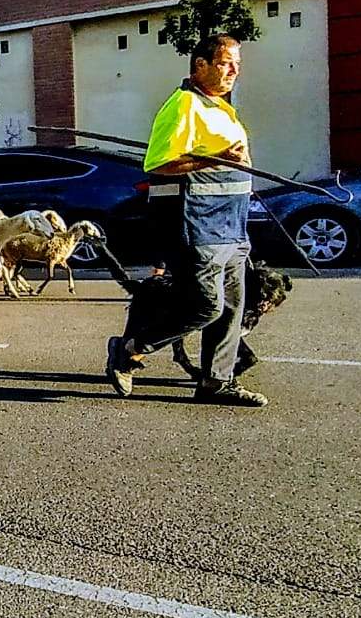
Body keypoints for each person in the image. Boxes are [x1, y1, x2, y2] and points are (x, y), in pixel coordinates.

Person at [104, 34, 267, 407]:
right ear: (200, 64)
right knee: (206, 306)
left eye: (237, 64)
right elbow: (158, 165)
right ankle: (130, 348)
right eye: (226, 63)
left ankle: (216, 382)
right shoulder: (183, 106)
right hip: (198, 225)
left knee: (231, 309)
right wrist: (216, 160)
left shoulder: (222, 109)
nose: (233, 71)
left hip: (232, 226)